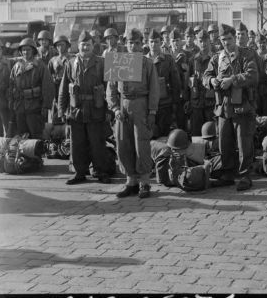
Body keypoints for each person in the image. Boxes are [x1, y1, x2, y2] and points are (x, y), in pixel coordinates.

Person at [203, 23, 258, 191]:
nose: (226, 42)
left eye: (229, 39)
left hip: (241, 106)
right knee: (224, 143)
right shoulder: (217, 57)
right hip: (223, 108)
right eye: (223, 39)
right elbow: (207, 75)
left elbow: (253, 75)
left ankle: (244, 176)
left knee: (243, 143)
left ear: (235, 38)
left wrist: (232, 80)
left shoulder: (246, 55)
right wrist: (211, 81)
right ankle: (227, 174)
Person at [106, 28, 159, 199]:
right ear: (125, 44)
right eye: (130, 43)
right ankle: (131, 181)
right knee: (123, 143)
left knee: (141, 143)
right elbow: (111, 89)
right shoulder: (119, 61)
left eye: (137, 43)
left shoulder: (147, 63)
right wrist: (115, 109)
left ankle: (144, 181)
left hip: (141, 104)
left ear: (142, 44)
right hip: (123, 105)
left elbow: (154, 89)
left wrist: (152, 112)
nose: (134, 46)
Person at [59, 30, 113, 185]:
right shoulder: (70, 63)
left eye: (88, 45)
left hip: (96, 109)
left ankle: (100, 171)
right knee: (77, 144)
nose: (85, 48)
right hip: (76, 111)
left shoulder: (102, 63)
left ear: (92, 46)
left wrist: (109, 110)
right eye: (83, 45)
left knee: (97, 143)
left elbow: (110, 88)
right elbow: (63, 90)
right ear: (78, 46)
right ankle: (79, 172)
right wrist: (62, 110)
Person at [9, 38, 54, 139]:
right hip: (19, 107)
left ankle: (37, 154)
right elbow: (11, 86)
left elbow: (48, 87)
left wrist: (45, 106)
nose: (25, 52)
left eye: (28, 49)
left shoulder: (40, 66)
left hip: (35, 108)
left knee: (36, 135)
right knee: (21, 136)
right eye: (23, 50)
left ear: (33, 51)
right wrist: (11, 104)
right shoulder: (16, 66)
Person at [146, 28, 181, 138]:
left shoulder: (168, 60)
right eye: (151, 41)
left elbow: (175, 82)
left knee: (164, 133)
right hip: (147, 104)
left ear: (161, 43)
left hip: (164, 104)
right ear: (148, 43)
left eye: (156, 41)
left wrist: (175, 102)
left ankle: (163, 155)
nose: (153, 44)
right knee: (149, 134)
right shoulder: (144, 60)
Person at [187, 30, 216, 136]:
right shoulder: (192, 60)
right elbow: (188, 82)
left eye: (205, 41)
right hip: (196, 103)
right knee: (196, 133)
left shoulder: (215, 59)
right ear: (197, 42)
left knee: (211, 132)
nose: (203, 44)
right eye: (201, 41)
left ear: (209, 41)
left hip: (211, 103)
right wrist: (187, 100)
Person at [48, 34, 73, 126]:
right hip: (56, 88)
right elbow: (48, 76)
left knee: (69, 109)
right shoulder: (53, 60)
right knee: (56, 111)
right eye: (58, 45)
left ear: (67, 45)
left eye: (62, 45)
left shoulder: (72, 59)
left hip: (68, 87)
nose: (60, 47)